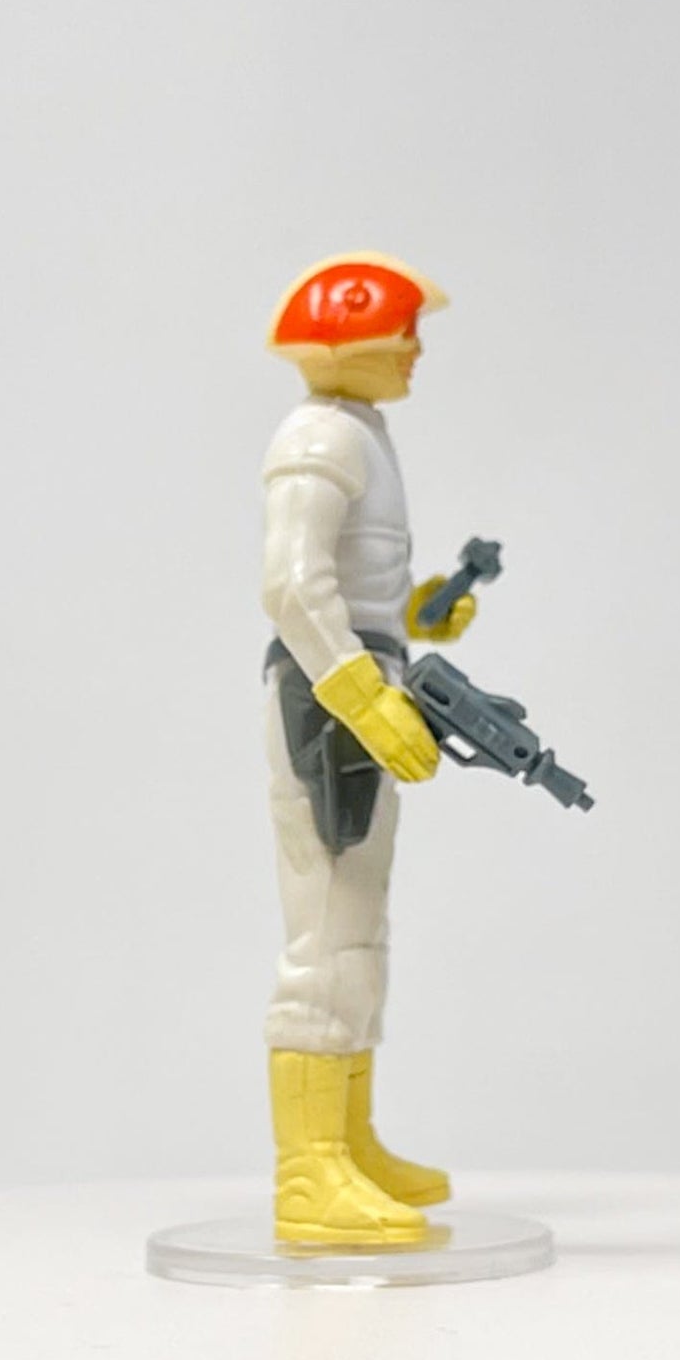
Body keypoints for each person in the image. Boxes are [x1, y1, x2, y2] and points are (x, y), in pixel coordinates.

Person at [259, 252, 479, 1243]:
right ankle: (308, 1171)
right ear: (350, 337)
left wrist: (424, 613)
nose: (415, 350)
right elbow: (291, 586)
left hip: (362, 674)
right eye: (402, 333)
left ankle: (347, 1139)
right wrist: (358, 696)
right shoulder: (317, 436)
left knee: (360, 921)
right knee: (327, 925)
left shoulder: (362, 432)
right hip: (326, 691)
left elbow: (357, 584)